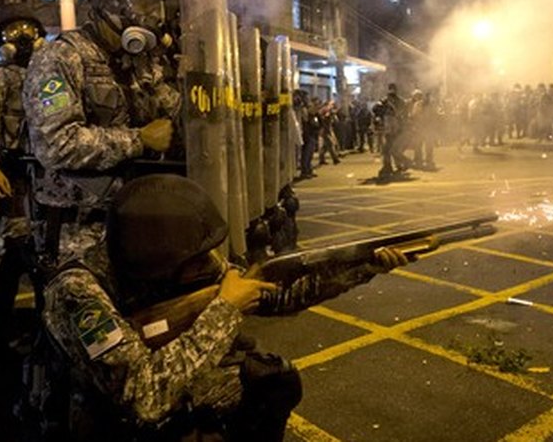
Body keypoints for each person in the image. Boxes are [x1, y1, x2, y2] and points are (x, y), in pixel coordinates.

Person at [42, 174, 405, 440]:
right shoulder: (78, 293)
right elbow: (144, 396)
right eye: (196, 259)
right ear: (159, 258)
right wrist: (226, 309)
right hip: (102, 414)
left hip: (162, 378)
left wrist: (364, 267)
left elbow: (275, 295)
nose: (209, 263)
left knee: (274, 379)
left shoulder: (182, 256)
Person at [23, 0, 175, 264]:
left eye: (154, 10)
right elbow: (56, 144)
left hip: (137, 209)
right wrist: (139, 139)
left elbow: (169, 107)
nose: (148, 20)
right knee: (91, 308)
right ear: (105, 5)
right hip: (78, 224)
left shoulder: (138, 59)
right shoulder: (60, 58)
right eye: (140, 7)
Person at [0, 14, 46, 356]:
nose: (26, 38)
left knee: (49, 250)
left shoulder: (49, 72)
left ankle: (49, 323)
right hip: (16, 174)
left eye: (31, 31)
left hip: (50, 173)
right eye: (16, 33)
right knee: (19, 248)